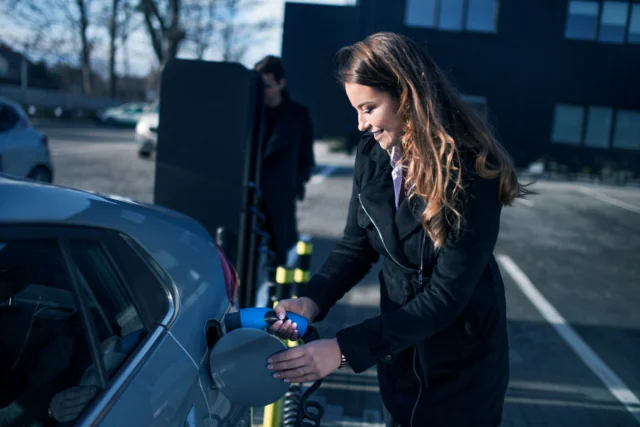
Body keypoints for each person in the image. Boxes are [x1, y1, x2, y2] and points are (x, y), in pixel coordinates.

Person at [265, 32, 533, 427]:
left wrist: (341, 350)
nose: (360, 124)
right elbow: (356, 246)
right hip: (398, 352)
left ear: (406, 95)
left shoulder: (473, 168)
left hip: (462, 366)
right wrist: (312, 301)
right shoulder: (372, 153)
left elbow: (445, 297)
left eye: (368, 108)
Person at [254, 55, 315, 273]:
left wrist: (296, 185)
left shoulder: (297, 115)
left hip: (280, 195)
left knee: (280, 254)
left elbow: (306, 157)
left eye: (268, 86)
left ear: (281, 83)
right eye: (259, 85)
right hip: (250, 193)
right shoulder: (249, 112)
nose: (263, 91)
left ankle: (279, 298)